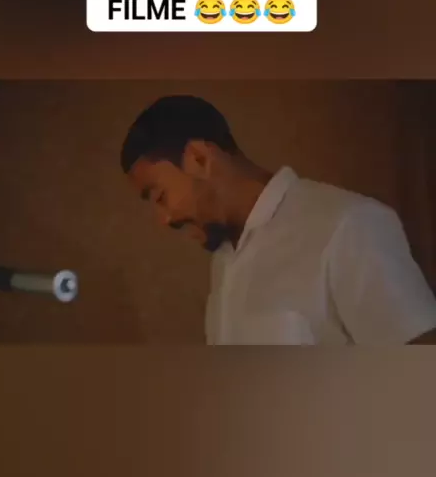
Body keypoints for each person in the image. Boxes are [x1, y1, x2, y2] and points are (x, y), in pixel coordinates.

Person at [121, 95, 436, 345]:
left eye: (159, 196)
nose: (164, 219)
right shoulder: (225, 259)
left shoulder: (350, 225)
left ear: (199, 158)